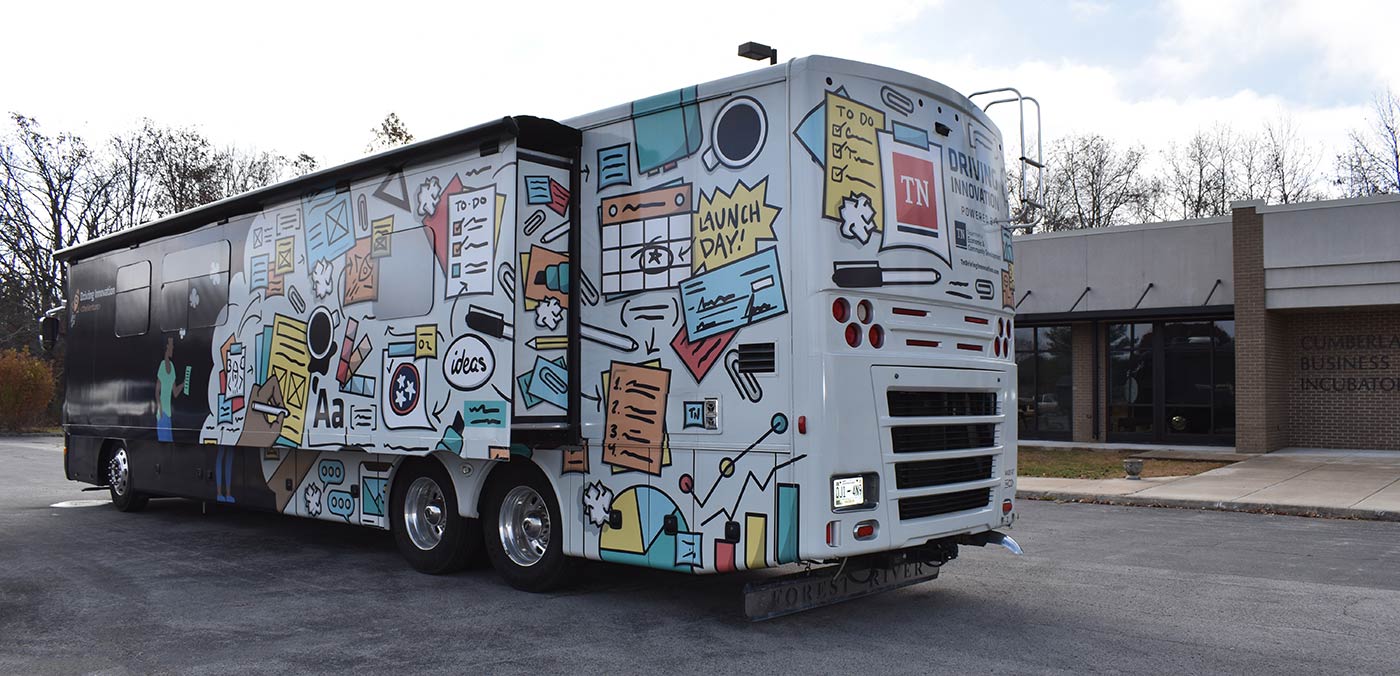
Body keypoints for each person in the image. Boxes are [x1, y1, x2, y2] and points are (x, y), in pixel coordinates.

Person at [155, 336, 185, 442]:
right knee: (164, 441)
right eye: (171, 346)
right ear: (167, 347)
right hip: (162, 414)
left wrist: (183, 384)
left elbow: (175, 392)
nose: (173, 348)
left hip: (168, 415)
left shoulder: (172, 367)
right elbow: (157, 391)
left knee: (168, 441)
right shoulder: (162, 365)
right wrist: (160, 408)